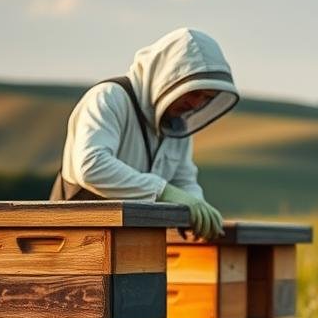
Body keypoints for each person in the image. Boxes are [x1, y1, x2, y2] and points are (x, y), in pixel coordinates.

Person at [50, 27, 237, 240]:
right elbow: (91, 165)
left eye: (206, 97)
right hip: (74, 239)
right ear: (169, 78)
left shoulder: (176, 125)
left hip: (134, 242)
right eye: (193, 92)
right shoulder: (109, 98)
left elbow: (183, 179)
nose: (196, 104)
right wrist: (163, 192)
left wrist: (195, 206)